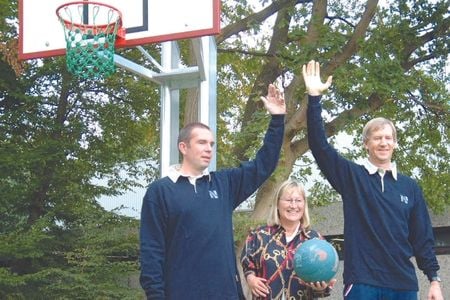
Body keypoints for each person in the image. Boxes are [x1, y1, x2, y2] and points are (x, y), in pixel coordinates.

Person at [303, 60, 443, 300]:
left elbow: (423, 238)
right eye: (377, 138)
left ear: (395, 143)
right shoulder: (352, 177)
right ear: (366, 144)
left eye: (388, 138)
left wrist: (434, 280)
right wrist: (314, 97)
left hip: (403, 285)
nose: (383, 142)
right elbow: (320, 146)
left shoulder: (410, 187)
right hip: (362, 282)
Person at [139, 84, 286, 299]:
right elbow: (151, 253)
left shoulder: (223, 184)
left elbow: (263, 165)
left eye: (211, 144)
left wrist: (277, 120)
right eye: (201, 142)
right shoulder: (160, 192)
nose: (209, 148)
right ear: (183, 147)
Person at [241, 179, 336, 300]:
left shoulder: (315, 240)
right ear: (277, 203)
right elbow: (247, 264)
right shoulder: (259, 235)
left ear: (304, 205)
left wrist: (321, 288)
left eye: (298, 200)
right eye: (288, 200)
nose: (293, 205)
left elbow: (323, 283)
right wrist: (251, 279)